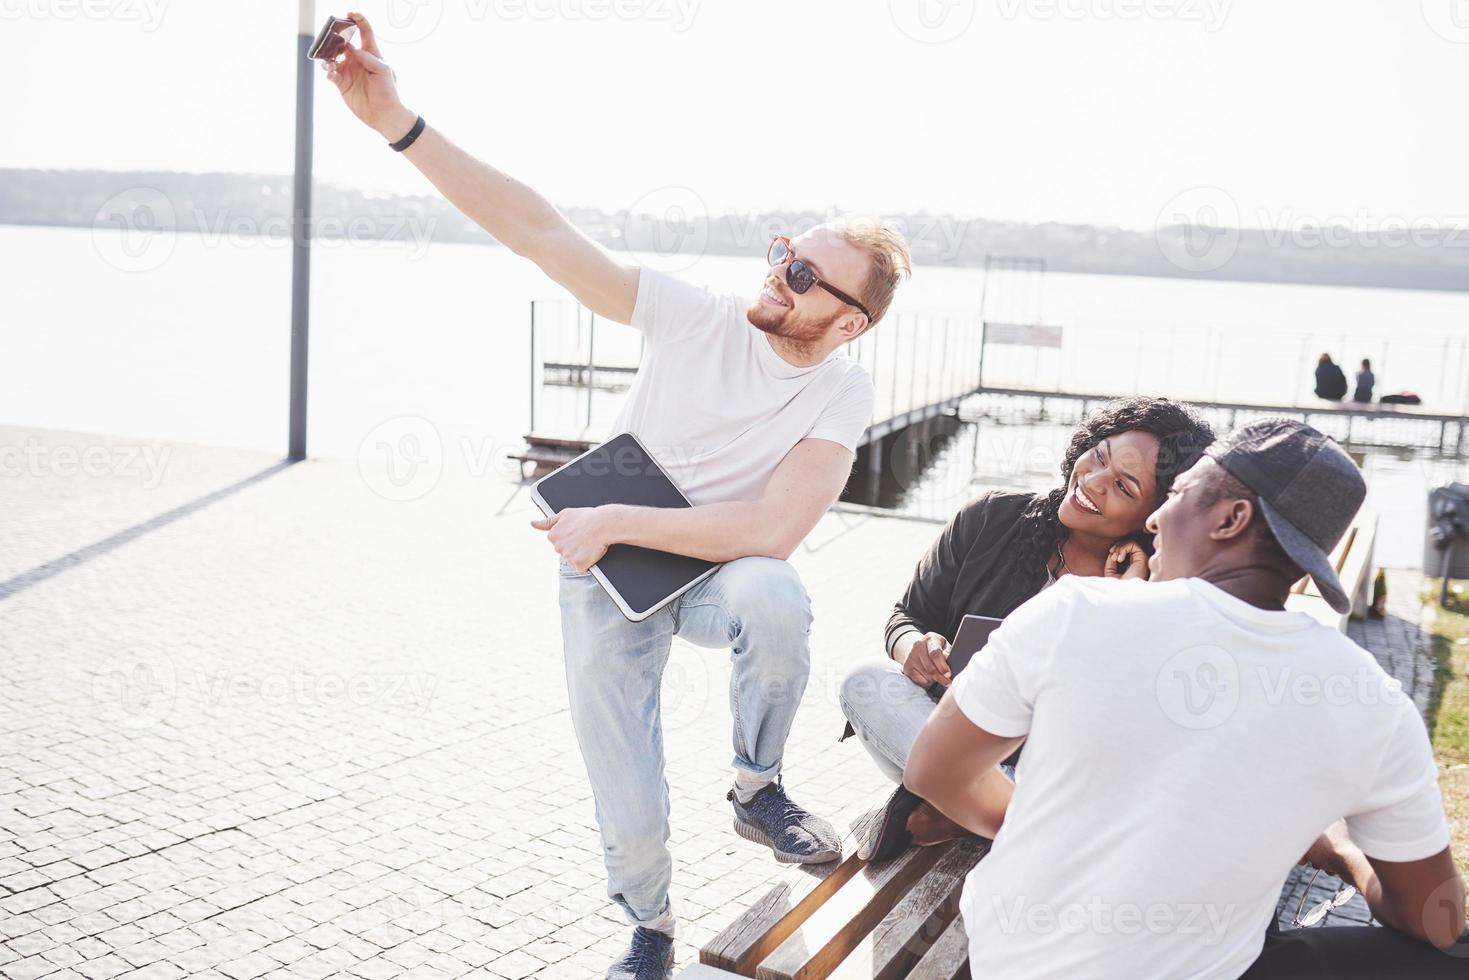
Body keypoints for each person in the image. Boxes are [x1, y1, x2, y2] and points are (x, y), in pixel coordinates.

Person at [320, 16, 911, 979]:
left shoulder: (839, 387)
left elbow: (772, 530)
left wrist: (614, 518)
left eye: (803, 277)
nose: (779, 275)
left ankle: (755, 786)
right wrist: (399, 122)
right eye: (781, 254)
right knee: (628, 795)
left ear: (846, 324)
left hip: (697, 561)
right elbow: (538, 230)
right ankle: (651, 925)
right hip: (608, 575)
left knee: (776, 592)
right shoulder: (694, 317)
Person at [906, 418, 1467, 978]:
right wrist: (1340, 849)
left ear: (1230, 519)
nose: (1154, 518)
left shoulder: (1076, 611)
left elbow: (933, 771)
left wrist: (1052, 829)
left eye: (1174, 495)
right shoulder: (1373, 701)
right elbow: (1437, 922)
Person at [838, 397, 1215, 857]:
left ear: (1154, 516)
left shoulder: (1157, 586)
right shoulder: (992, 518)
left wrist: (1129, 599)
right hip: (953, 739)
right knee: (865, 683)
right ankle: (1001, 815)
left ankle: (974, 812)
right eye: (1099, 456)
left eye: (1124, 486)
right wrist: (913, 646)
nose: (1093, 483)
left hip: (1055, 771)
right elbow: (906, 615)